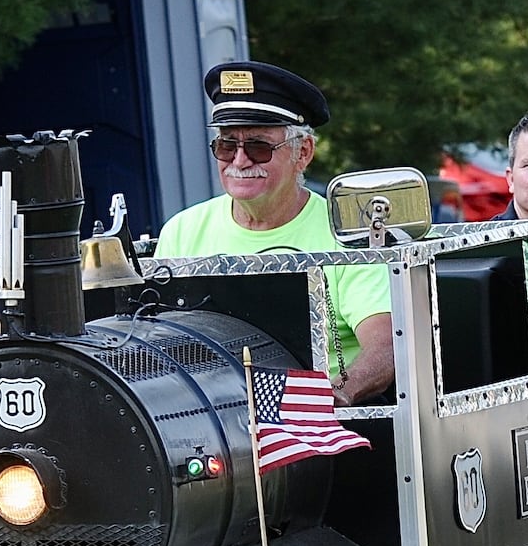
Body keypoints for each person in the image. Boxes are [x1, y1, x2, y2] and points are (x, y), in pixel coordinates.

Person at [155, 61, 392, 406]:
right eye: (225, 146)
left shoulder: (347, 232)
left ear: (304, 153)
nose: (239, 161)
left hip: (319, 430)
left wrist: (333, 398)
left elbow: (386, 343)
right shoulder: (182, 231)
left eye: (258, 147)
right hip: (209, 425)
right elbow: (157, 344)